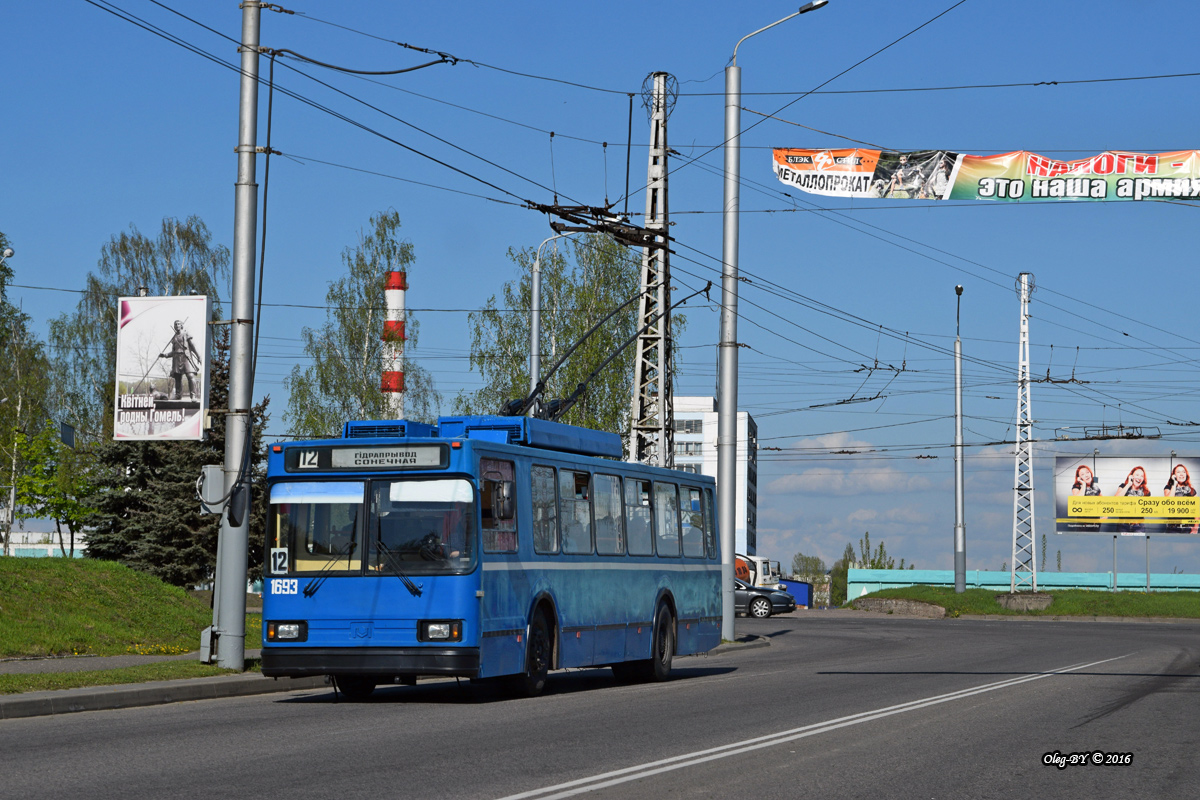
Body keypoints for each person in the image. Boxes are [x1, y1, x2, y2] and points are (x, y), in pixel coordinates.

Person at [159, 320, 201, 400]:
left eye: (178, 324)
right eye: (175, 324)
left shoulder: (186, 334)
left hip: (185, 357)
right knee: (177, 378)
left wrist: (198, 356)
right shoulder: (174, 338)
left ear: (181, 325)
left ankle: (193, 395)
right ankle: (178, 395)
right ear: (174, 326)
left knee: (190, 376)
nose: (177, 325)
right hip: (176, 359)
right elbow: (174, 352)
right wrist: (165, 355)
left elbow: (193, 346)